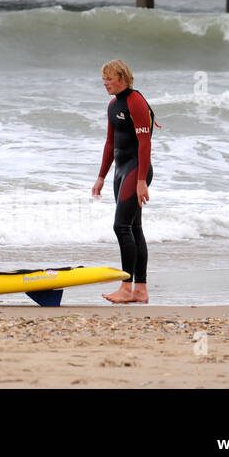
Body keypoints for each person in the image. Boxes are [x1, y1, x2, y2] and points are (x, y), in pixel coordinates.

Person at [91, 59, 155, 304]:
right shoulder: (112, 106)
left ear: (123, 78)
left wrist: (141, 181)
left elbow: (145, 142)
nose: (105, 83)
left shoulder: (136, 101)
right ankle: (140, 290)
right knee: (134, 228)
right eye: (103, 79)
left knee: (121, 227)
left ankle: (127, 288)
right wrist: (101, 177)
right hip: (121, 170)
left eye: (109, 79)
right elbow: (110, 143)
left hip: (137, 170)